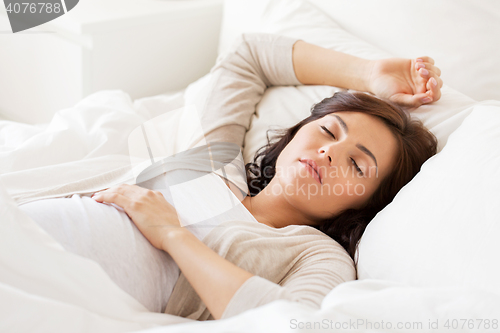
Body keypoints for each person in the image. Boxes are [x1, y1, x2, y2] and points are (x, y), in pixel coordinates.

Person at [20, 33, 441, 320]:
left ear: (366, 202)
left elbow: (291, 322)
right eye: (328, 131)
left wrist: (173, 236)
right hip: (21, 224)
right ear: (295, 133)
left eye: (356, 165)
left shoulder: (314, 255)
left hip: (43, 288)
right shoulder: (215, 163)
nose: (330, 152)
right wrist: (368, 75)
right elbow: (249, 55)